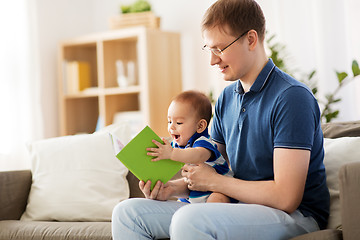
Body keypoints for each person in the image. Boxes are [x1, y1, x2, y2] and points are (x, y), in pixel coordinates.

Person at [112, 0, 330, 239]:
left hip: (295, 215)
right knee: (127, 213)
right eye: (209, 49)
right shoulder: (227, 97)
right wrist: (171, 189)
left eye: (220, 48)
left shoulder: (291, 97)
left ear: (251, 39)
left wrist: (216, 183)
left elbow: (286, 197)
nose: (213, 61)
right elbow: (213, 169)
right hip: (238, 206)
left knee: (190, 220)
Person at [146, 90, 233, 204]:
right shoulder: (177, 145)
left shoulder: (204, 142)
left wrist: (171, 153)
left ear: (200, 126)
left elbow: (198, 155)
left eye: (179, 123)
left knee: (217, 199)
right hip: (192, 195)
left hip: (218, 191)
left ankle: (208, 217)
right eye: (169, 121)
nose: (171, 127)